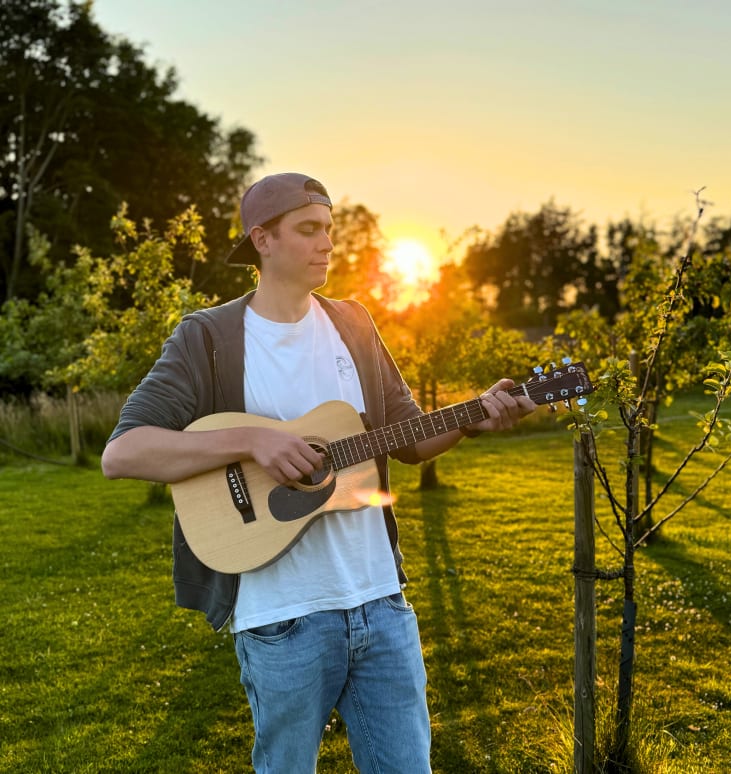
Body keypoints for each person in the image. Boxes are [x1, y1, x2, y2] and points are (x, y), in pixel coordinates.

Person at [101, 172, 536, 773]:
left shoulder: (353, 324)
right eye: (309, 230)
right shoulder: (209, 337)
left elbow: (409, 436)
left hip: (381, 604)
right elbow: (124, 453)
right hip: (281, 619)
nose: (327, 243)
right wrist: (256, 441)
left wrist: (474, 415)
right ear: (263, 239)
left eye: (329, 229)